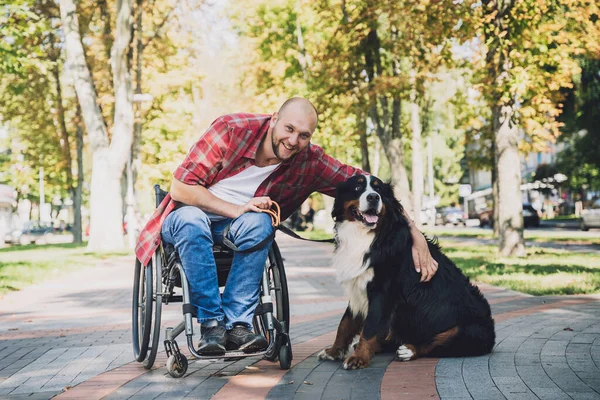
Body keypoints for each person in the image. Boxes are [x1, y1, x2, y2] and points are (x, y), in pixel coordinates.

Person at [135, 97, 438, 356]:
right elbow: (180, 188)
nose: (293, 141)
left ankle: (239, 325)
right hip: (188, 216)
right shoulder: (230, 130)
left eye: (304, 135)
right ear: (274, 119)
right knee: (193, 219)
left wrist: (416, 235)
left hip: (239, 228)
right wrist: (235, 208)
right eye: (289, 129)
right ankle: (212, 325)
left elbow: (372, 188)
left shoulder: (309, 161)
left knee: (260, 222)